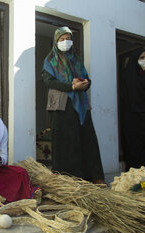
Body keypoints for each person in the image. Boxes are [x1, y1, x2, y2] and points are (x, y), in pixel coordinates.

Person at [41, 26, 105, 184]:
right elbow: (49, 82)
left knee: (87, 140)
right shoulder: (50, 61)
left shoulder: (76, 59)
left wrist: (85, 83)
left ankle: (93, 177)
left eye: (68, 39)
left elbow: (86, 78)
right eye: (62, 39)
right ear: (56, 42)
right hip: (62, 107)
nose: (65, 42)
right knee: (66, 142)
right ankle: (68, 181)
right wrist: (71, 86)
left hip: (81, 107)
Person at [122, 47, 145, 170]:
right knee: (135, 149)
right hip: (134, 119)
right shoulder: (130, 76)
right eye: (142, 58)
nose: (144, 61)